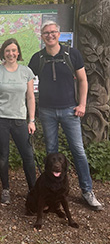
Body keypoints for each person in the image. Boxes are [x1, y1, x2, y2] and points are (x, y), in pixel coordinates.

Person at [28, 20, 103, 211]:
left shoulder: (72, 54)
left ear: (59, 34)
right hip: (46, 111)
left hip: (70, 110)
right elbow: (26, 81)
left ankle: (87, 191)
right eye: (46, 33)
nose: (50, 35)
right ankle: (51, 193)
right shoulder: (37, 58)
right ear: (42, 36)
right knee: (51, 154)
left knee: (78, 151)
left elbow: (83, 80)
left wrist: (83, 104)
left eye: (53, 32)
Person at [0, 38, 36, 205]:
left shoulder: (26, 72)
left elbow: (30, 97)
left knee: (28, 155)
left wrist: (32, 120)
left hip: (20, 120)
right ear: (3, 53)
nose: (11, 53)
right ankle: (5, 189)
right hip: (0, 119)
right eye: (7, 51)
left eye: (14, 50)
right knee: (3, 155)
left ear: (18, 52)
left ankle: (33, 190)